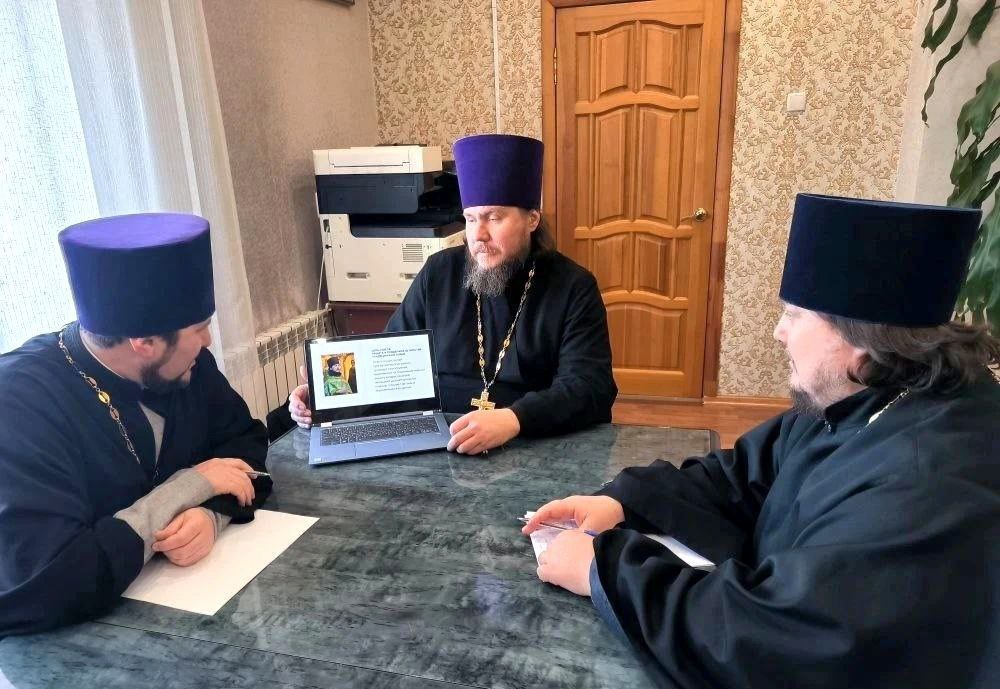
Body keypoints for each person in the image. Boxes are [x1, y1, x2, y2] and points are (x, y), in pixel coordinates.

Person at [523, 194, 1000, 688]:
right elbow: (744, 474)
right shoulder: (869, 390)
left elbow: (781, 638)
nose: (778, 332)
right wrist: (627, 502)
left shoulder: (925, 481)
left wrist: (604, 571)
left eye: (794, 314)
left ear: (860, 338)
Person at [0, 213, 272, 636]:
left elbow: (243, 445)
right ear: (144, 343)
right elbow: (53, 581)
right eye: (200, 329)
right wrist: (189, 486)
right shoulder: (20, 404)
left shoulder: (186, 364)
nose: (208, 341)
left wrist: (209, 513)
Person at [289, 134, 617, 454]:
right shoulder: (439, 272)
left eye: (494, 217)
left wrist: (515, 418)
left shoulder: (573, 286)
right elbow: (391, 357)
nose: (479, 235)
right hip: (440, 440)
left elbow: (589, 386)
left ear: (532, 220)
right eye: (470, 219)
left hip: (531, 442)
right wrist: (329, 396)